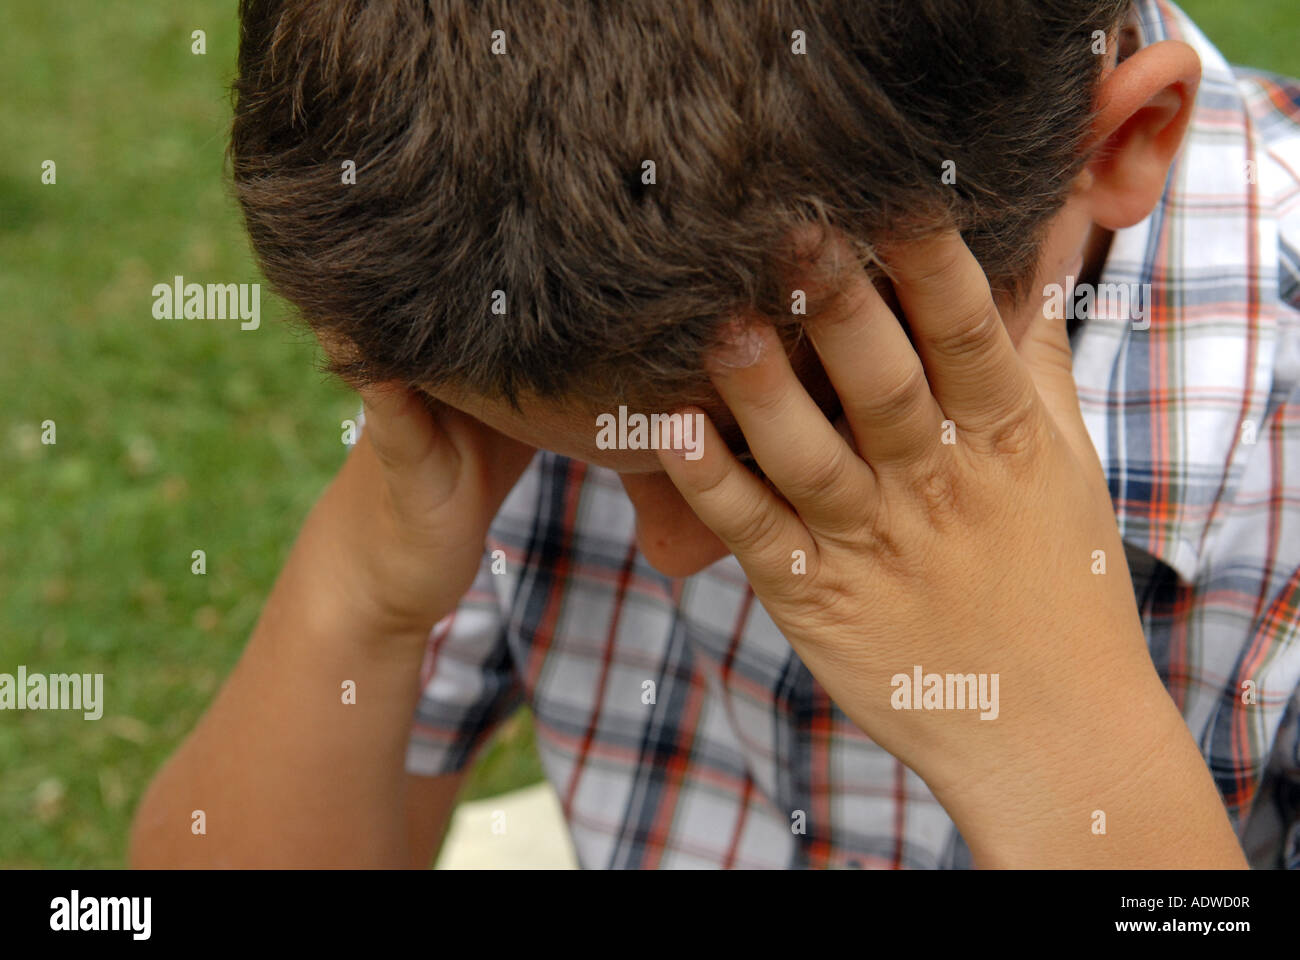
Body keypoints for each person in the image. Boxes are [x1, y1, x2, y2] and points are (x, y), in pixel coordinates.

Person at [130, 0, 1300, 868]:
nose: (680, 549)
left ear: (1119, 146)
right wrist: (361, 596)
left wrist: (1072, 743)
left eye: (759, 440)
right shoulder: (573, 307)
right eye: (602, 462)